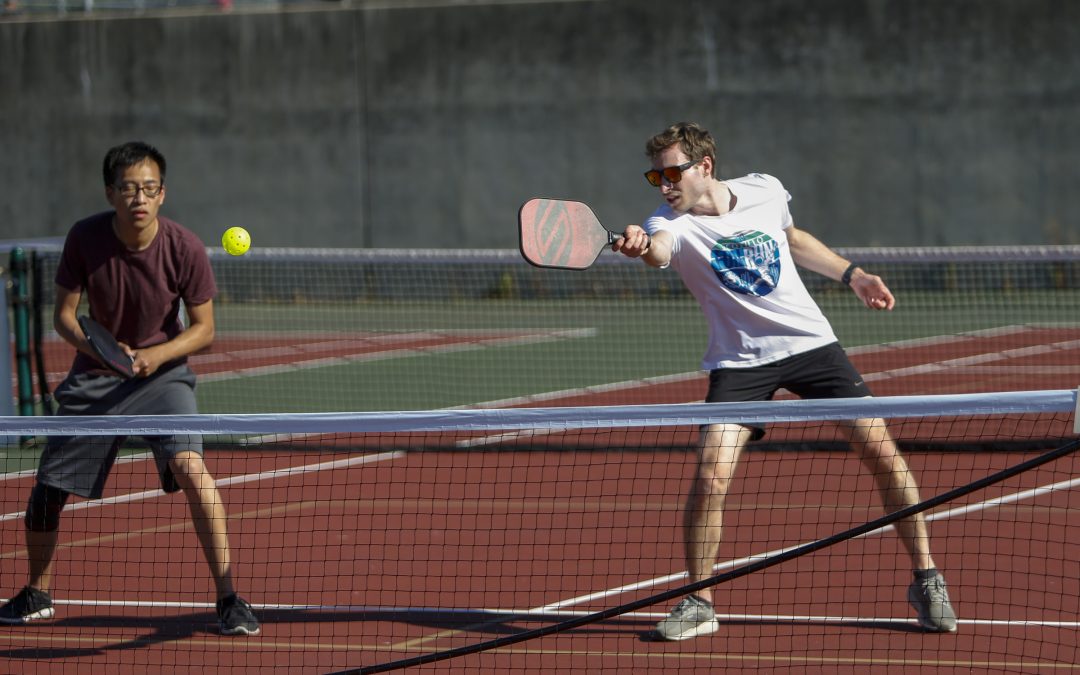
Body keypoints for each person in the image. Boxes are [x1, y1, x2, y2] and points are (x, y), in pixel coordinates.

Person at [612, 122, 957, 641]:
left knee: (883, 455)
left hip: (811, 347)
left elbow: (792, 239)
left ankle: (927, 579)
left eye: (671, 172)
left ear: (704, 166)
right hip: (740, 365)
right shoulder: (670, 222)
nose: (663, 184)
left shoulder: (764, 189)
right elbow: (660, 250)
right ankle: (700, 602)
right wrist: (641, 246)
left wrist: (852, 275)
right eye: (654, 175)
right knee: (710, 477)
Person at [0, 141, 260, 636]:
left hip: (164, 377)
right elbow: (63, 317)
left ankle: (229, 597)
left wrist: (154, 356)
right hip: (97, 375)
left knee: (191, 467)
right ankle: (36, 592)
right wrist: (105, 353)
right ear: (110, 193)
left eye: (148, 188)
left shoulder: (183, 246)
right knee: (46, 491)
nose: (138, 197)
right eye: (128, 188)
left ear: (162, 194)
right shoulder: (85, 239)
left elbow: (204, 329)